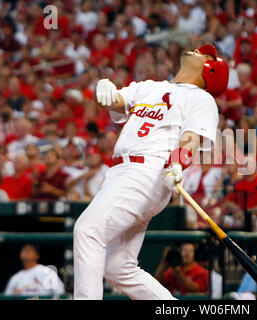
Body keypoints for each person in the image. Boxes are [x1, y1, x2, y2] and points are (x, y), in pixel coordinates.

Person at [73, 44, 228, 299]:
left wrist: (178, 161)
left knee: (88, 231)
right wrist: (105, 89)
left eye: (204, 54)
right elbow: (111, 101)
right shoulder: (150, 86)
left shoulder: (201, 98)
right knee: (118, 267)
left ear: (209, 69)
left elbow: (190, 139)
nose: (196, 51)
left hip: (149, 170)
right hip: (122, 173)